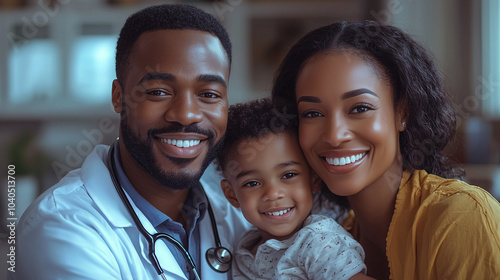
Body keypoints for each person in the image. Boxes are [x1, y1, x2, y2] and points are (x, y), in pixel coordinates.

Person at [9, 4, 251, 280]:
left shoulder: (240, 213)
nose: (186, 114)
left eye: (209, 94)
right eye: (158, 92)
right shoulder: (60, 228)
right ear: (118, 97)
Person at [271, 21, 500, 280]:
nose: (335, 135)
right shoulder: (331, 242)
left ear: (403, 111)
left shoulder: (461, 217)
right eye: (312, 113)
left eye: (359, 108)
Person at [217, 98, 373, 280]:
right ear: (231, 194)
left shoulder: (319, 243)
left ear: (314, 178)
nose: (273, 194)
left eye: (288, 175)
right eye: (252, 183)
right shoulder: (243, 250)